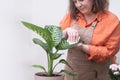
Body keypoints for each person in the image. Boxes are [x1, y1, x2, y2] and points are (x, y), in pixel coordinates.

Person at [59, 0, 120, 80]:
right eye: (75, 1)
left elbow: (110, 51)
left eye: (81, 0)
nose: (78, 5)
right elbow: (57, 40)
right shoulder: (71, 16)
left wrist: (82, 47)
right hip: (73, 74)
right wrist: (66, 31)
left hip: (100, 75)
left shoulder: (111, 20)